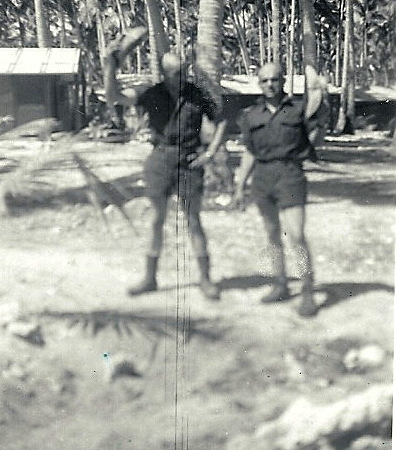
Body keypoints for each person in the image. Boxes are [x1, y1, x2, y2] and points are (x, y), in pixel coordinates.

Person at [128, 52, 227, 300]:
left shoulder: (197, 94)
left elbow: (222, 119)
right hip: (160, 160)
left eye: (184, 71)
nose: (182, 77)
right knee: (156, 220)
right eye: (176, 73)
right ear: (165, 74)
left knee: (193, 220)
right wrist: (110, 66)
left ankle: (205, 279)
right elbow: (117, 97)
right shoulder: (153, 94)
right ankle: (150, 278)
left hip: (189, 162)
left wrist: (210, 153)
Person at [231, 62, 319, 317]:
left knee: (296, 235)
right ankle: (280, 284)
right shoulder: (250, 115)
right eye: (265, 80)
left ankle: (307, 290)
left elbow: (315, 135)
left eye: (274, 79)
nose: (270, 84)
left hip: (290, 174)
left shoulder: (299, 110)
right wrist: (239, 186)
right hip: (262, 177)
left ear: (283, 81)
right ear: (259, 84)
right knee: (272, 234)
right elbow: (249, 152)